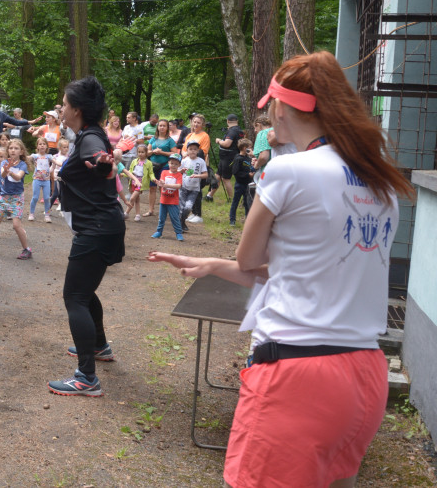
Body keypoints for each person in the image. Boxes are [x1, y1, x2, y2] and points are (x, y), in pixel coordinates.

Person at [148, 51, 414, 488]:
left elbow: (251, 260)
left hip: (298, 373)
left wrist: (231, 260)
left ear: (283, 108)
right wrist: (214, 265)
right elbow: (307, 268)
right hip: (365, 375)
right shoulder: (379, 182)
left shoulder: (288, 170)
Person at [48, 76, 124, 397]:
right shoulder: (88, 133)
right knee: (85, 290)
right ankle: (99, 346)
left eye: (64, 105)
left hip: (96, 229)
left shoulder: (92, 139)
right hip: (103, 226)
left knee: (75, 297)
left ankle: (86, 378)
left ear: (77, 109)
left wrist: (102, 165)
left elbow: (98, 161)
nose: (61, 109)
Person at [208, 113, 243, 202]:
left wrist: (219, 141)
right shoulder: (240, 131)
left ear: (227, 121)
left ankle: (232, 199)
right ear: (237, 121)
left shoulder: (232, 131)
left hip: (228, 158)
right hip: (226, 157)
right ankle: (209, 195)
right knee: (217, 176)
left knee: (226, 179)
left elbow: (227, 144)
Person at [146, 119, 176, 217]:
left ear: (167, 128)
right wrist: (154, 151)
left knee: (163, 187)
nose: (162, 127)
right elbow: (147, 152)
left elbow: (174, 153)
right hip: (153, 165)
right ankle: (151, 210)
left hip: (165, 166)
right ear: (157, 127)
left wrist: (162, 152)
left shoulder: (170, 140)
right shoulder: (153, 139)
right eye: (160, 125)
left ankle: (165, 210)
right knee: (152, 188)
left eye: (164, 126)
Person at [150, 153, 184, 240]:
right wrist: (160, 183)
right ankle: (159, 232)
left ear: (179, 165)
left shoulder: (179, 175)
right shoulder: (164, 172)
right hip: (163, 200)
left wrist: (166, 185)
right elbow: (161, 181)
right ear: (168, 163)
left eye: (176, 164)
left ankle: (178, 233)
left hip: (173, 201)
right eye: (172, 163)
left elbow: (178, 186)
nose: (173, 165)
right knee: (161, 218)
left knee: (175, 218)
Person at [179, 141, 207, 229]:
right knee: (181, 207)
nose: (193, 151)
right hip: (183, 187)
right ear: (187, 150)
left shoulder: (201, 161)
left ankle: (182, 221)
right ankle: (180, 224)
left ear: (198, 150)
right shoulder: (184, 161)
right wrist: (181, 171)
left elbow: (205, 174)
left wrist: (197, 175)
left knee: (188, 207)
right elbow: (177, 172)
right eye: (190, 149)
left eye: (195, 149)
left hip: (194, 189)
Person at [125, 144, 153, 222]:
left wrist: (153, 179)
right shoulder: (134, 161)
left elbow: (151, 173)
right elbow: (130, 171)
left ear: (146, 153)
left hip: (140, 183)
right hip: (133, 182)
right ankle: (138, 214)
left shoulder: (149, 163)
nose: (140, 154)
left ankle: (126, 213)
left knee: (132, 198)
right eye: (139, 152)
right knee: (136, 200)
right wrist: (124, 174)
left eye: (142, 152)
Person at [28, 136, 54, 223]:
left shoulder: (49, 156)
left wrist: (61, 163)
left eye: (44, 144)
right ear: (37, 146)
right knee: (35, 197)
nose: (42, 146)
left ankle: (47, 214)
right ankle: (31, 213)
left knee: (47, 198)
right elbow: (27, 158)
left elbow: (56, 162)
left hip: (46, 180)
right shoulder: (35, 156)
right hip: (37, 179)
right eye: (40, 144)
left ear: (46, 146)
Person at [229, 139, 254, 226]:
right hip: (240, 184)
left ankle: (248, 220)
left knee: (247, 203)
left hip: (248, 185)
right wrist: (248, 175)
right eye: (249, 148)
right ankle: (232, 220)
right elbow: (235, 172)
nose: (251, 149)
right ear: (244, 148)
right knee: (235, 202)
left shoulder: (248, 158)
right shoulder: (238, 159)